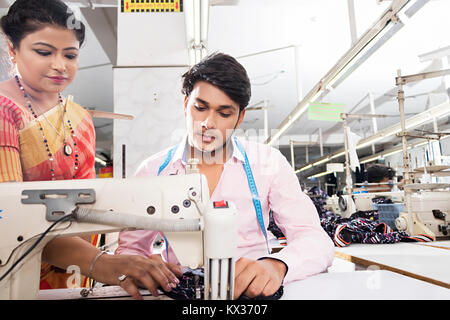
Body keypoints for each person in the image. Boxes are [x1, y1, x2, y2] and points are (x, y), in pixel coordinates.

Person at [0, 0, 181, 299]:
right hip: (13, 272)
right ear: (12, 49)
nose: (60, 65)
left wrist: (118, 258)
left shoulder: (80, 119)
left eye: (70, 55)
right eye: (44, 52)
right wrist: (102, 264)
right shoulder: (5, 111)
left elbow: (87, 206)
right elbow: (9, 219)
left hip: (71, 272)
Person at [116, 52, 335, 299]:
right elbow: (129, 250)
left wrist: (277, 266)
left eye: (224, 113)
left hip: (252, 294)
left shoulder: (268, 163)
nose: (208, 123)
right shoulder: (153, 171)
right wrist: (140, 268)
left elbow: (314, 239)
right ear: (185, 104)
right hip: (182, 291)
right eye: (200, 108)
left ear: (240, 117)